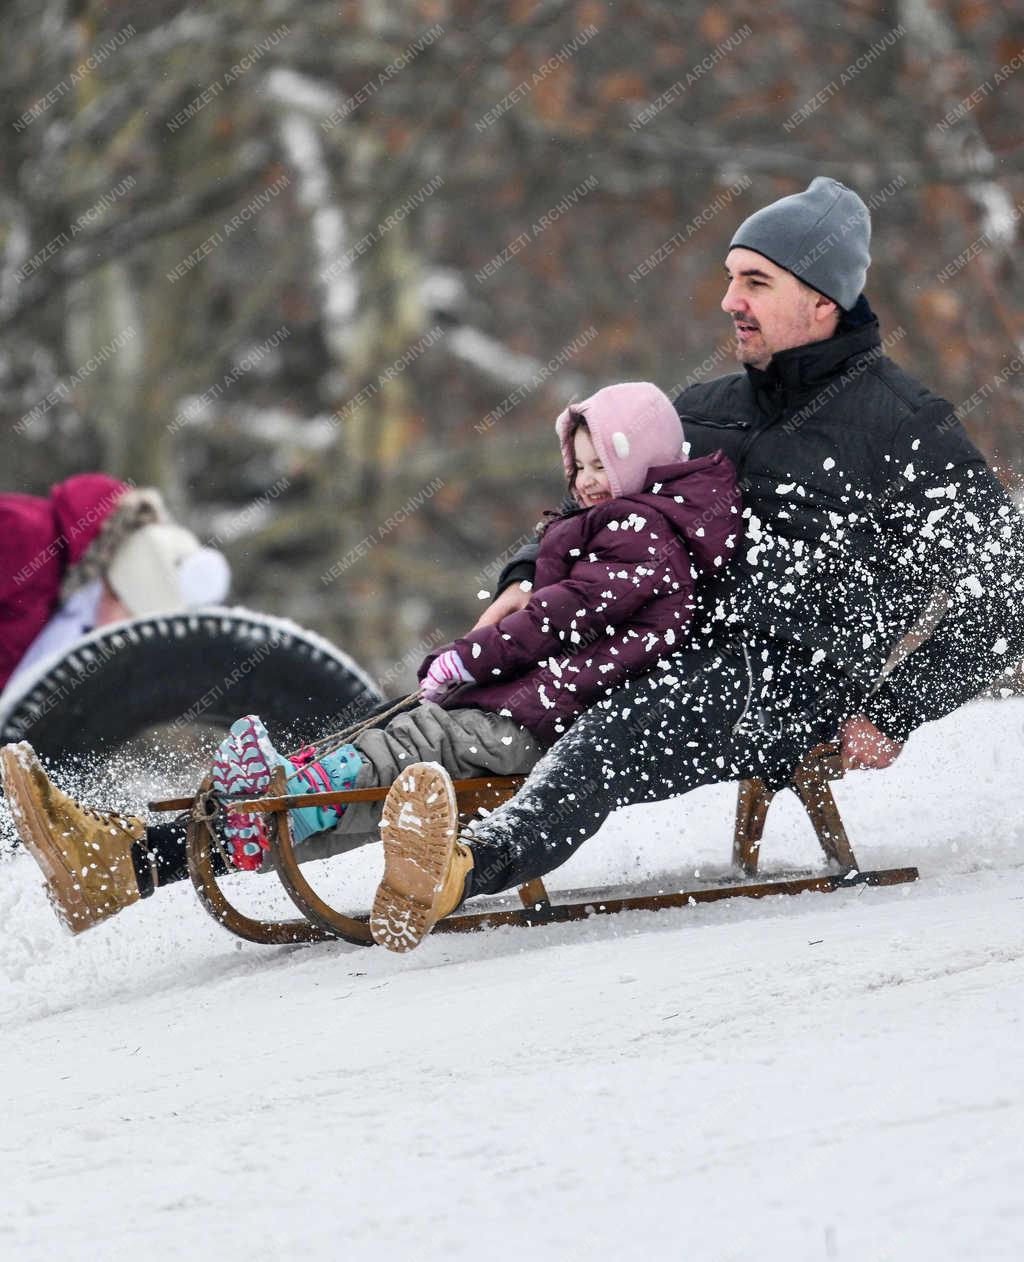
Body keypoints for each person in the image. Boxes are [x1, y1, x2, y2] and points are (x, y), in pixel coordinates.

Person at [365, 175, 1024, 953]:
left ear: (823, 302)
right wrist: (520, 578)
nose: (729, 301)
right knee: (462, 702)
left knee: (608, 735)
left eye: (755, 281)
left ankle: (462, 869)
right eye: (729, 278)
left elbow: (1005, 592)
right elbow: (600, 504)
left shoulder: (907, 429)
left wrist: (897, 709)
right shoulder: (708, 409)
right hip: (649, 638)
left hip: (784, 685)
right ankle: (234, 828)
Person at [1, 383, 742, 934]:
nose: (581, 481)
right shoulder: (613, 527)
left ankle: (266, 799)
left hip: (535, 719)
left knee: (404, 747)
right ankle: (121, 864)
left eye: (597, 465)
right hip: (511, 707)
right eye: (575, 465)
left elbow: (555, 620)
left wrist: (464, 660)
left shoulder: (641, 538)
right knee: (364, 766)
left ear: (638, 462)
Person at [0, 474, 231, 706]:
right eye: (129, 615)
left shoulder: (69, 593)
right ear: (117, 588)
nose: (119, 633)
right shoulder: (23, 534)